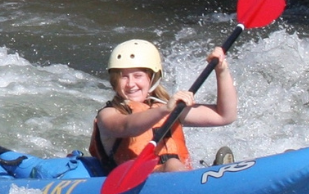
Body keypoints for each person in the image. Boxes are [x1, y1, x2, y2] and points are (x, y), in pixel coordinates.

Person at [89, 38, 237, 174]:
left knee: (173, 164)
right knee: (172, 164)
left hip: (175, 178)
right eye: (123, 76)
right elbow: (128, 127)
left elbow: (224, 116)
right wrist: (165, 109)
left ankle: (206, 179)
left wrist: (221, 71)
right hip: (132, 184)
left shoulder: (167, 109)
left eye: (138, 76)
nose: (130, 84)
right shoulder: (108, 114)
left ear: (152, 78)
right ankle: (206, 181)